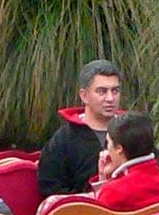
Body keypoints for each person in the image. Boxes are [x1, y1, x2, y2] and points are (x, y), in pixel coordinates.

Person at [37, 57, 124, 198]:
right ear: (84, 96)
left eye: (115, 91)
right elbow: (50, 189)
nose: (110, 98)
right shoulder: (64, 139)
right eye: (102, 91)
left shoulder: (134, 132)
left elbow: (158, 173)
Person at [89, 113, 159, 212]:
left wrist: (104, 182)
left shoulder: (113, 192)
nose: (107, 148)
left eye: (108, 142)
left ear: (119, 148)